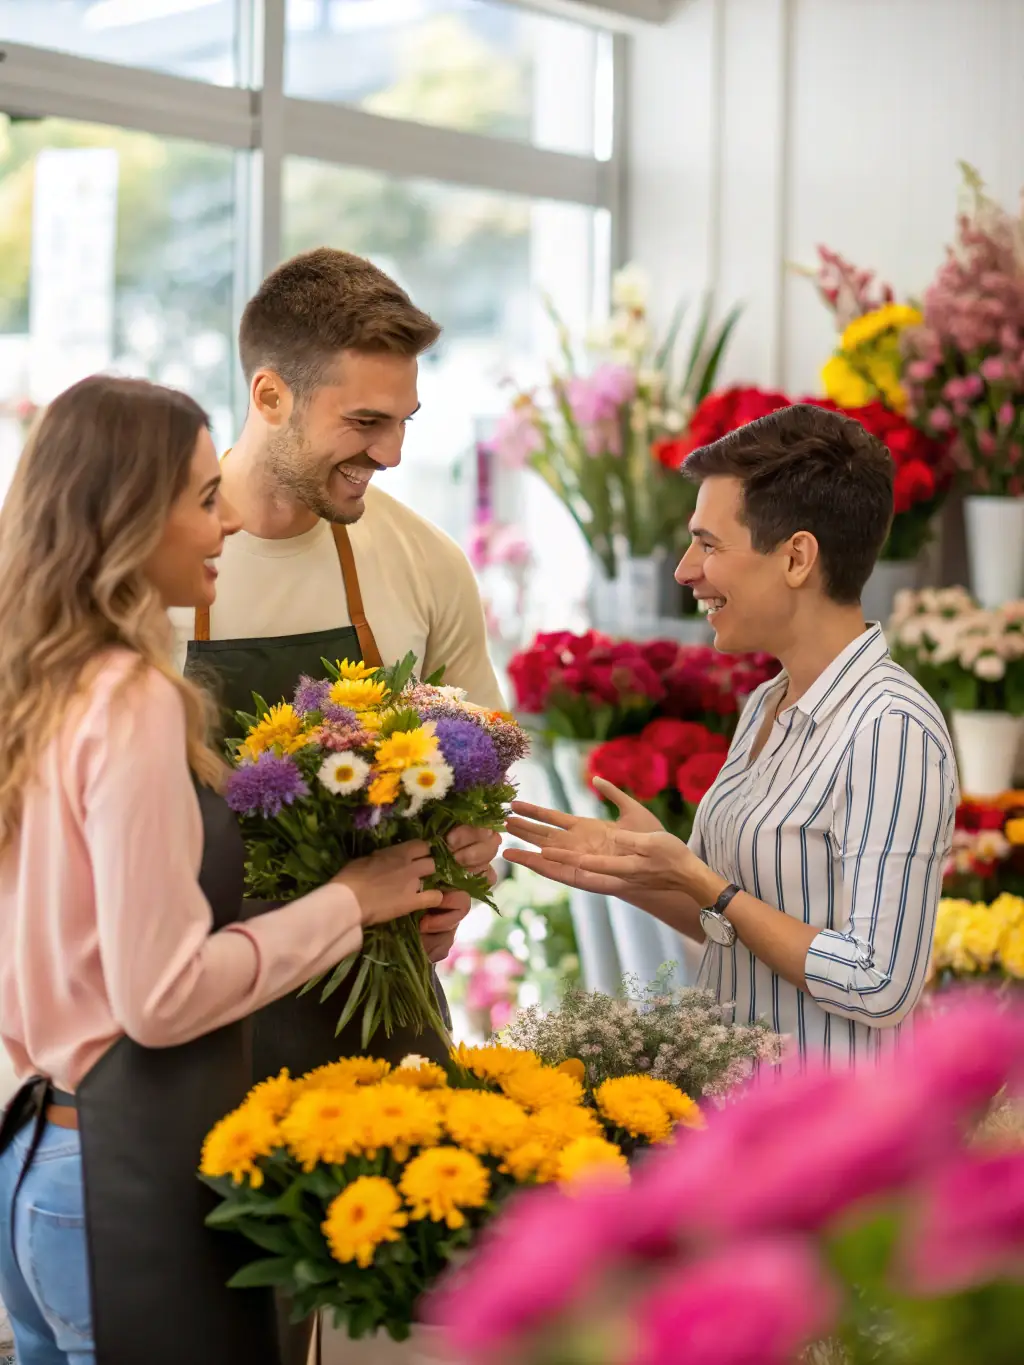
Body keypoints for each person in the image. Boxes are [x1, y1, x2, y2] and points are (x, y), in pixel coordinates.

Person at [0, 375, 447, 1365]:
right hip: (120, 1180)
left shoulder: (35, 683)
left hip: (33, 1163)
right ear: (125, 516)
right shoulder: (130, 697)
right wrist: (348, 901)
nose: (231, 522)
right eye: (205, 498)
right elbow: (160, 998)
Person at [169, 248, 504, 1362]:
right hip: (203, 1024)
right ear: (268, 395)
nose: (392, 453)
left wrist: (466, 864)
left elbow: (485, 770)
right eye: (365, 421)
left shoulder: (421, 561)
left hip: (382, 1019)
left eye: (405, 420)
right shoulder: (161, 570)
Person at [507, 404, 957, 1064]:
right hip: (745, 1112)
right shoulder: (766, 704)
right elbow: (734, 926)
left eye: (709, 544)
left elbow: (880, 983)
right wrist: (636, 872)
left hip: (834, 1131)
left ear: (798, 557)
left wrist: (703, 880)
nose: (685, 570)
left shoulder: (892, 729)